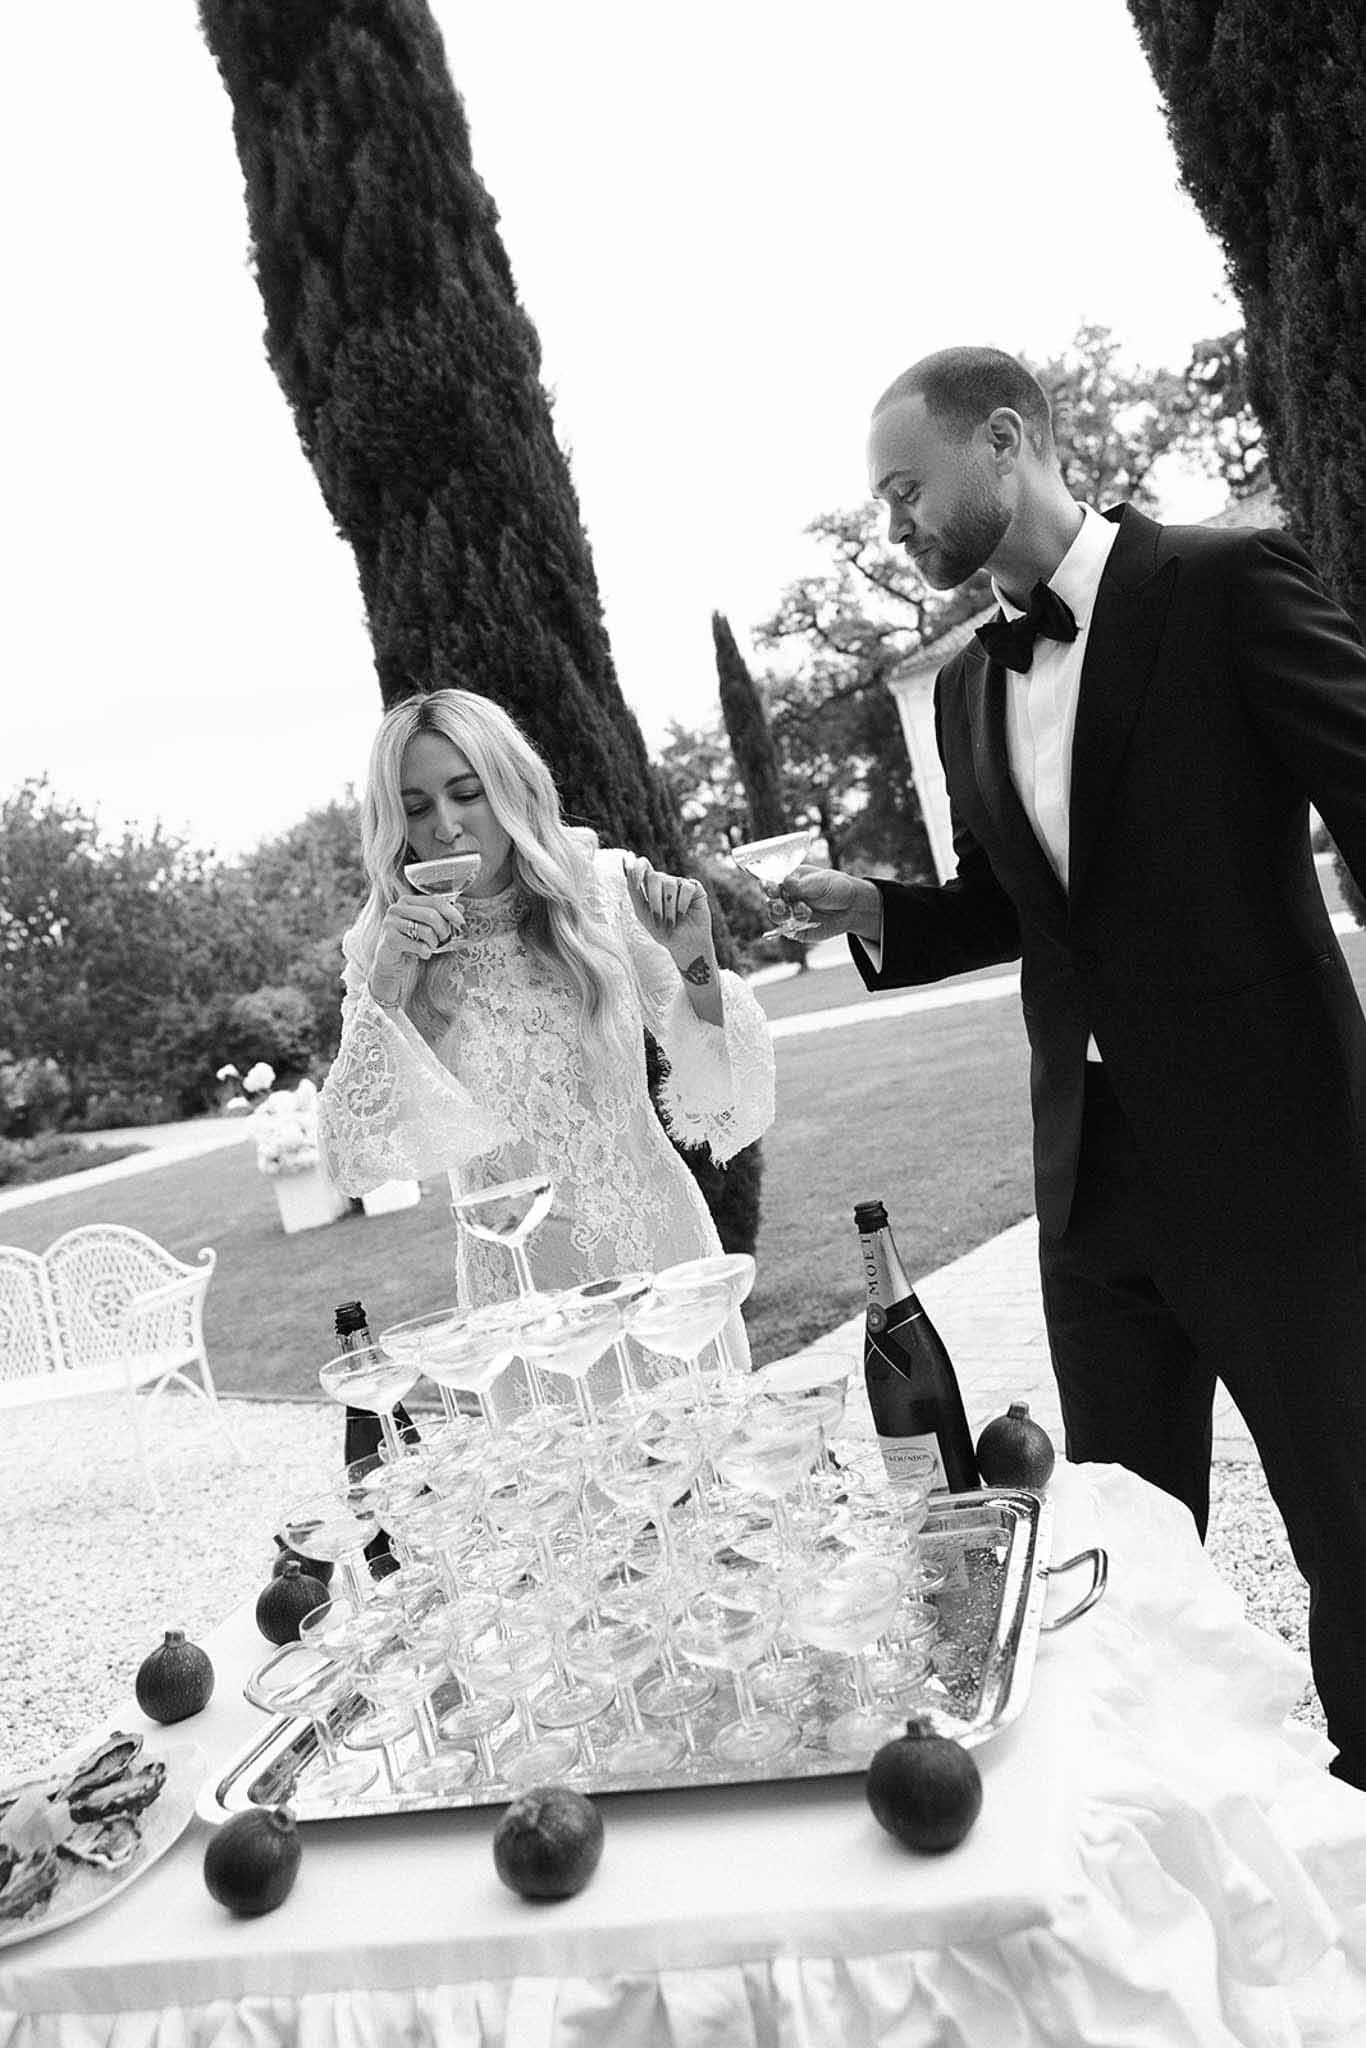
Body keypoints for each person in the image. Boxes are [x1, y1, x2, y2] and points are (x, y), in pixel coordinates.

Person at [782, 346, 1366, 1792]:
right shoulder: (961, 691)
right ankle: (1187, 1810)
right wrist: (874, 911)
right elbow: (1013, 906)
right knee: (1124, 1532)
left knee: (1349, 1519)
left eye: (907, 489)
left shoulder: (1223, 586)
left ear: (1005, 439)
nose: (895, 523)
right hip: (1092, 1175)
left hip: (1282, 1156)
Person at [317, 687, 775, 1395]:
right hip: (520, 1300)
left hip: (659, 1257)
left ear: (509, 786)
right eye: (416, 807)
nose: (446, 827)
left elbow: (721, 1097)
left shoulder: (602, 888)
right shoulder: (381, 943)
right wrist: (387, 993)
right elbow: (354, 1154)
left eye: (466, 793)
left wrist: (695, 957)